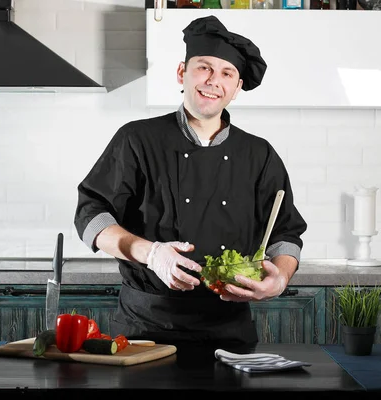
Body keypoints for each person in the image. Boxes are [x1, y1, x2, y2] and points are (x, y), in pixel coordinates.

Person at [74, 15, 307, 352]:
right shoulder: (137, 139)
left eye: (227, 73)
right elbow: (91, 215)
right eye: (204, 68)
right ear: (182, 73)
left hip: (230, 332)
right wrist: (152, 254)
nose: (214, 80)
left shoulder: (259, 154)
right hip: (145, 330)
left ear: (237, 88)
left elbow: (286, 233)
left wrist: (280, 278)